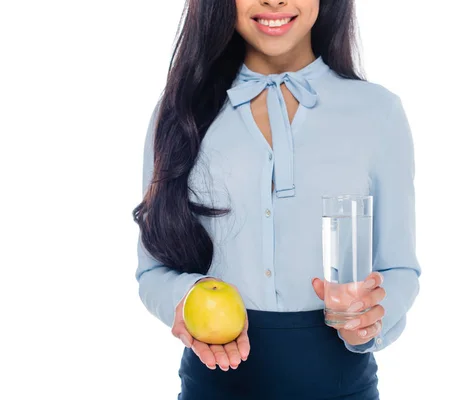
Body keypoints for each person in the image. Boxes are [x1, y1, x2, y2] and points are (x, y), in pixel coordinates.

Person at [133, 0, 422, 398]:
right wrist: (184, 303)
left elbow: (401, 267)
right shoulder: (178, 113)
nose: (275, 1)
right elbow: (152, 270)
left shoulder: (378, 112)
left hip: (340, 384)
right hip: (215, 384)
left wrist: (371, 316)